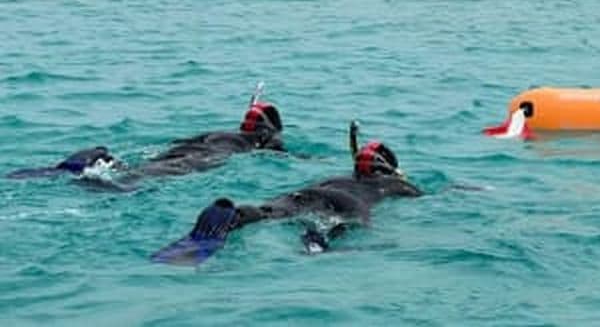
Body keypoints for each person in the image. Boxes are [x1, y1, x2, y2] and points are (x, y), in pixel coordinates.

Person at [152, 122, 423, 265]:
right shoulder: (390, 184)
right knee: (337, 225)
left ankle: (233, 216)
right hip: (343, 204)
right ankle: (317, 241)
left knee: (270, 212)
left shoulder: (337, 177)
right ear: (387, 167)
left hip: (303, 193)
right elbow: (423, 195)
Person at [6, 83, 286, 187]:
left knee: (149, 165)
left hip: (183, 151)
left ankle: (98, 165)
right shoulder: (264, 143)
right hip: (204, 160)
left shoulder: (216, 132)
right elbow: (279, 155)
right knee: (147, 175)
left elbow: (179, 142)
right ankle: (107, 182)